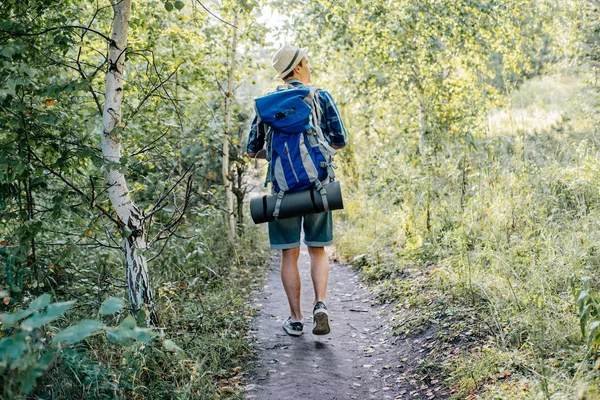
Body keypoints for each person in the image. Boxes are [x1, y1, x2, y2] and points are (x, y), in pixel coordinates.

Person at [246, 43, 347, 336]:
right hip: (319, 188)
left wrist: (280, 158)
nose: (309, 63)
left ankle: (296, 318)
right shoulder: (320, 96)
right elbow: (340, 139)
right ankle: (320, 304)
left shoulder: (266, 105)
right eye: (306, 59)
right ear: (299, 66)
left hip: (282, 194)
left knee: (288, 255)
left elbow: (251, 150)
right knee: (317, 250)